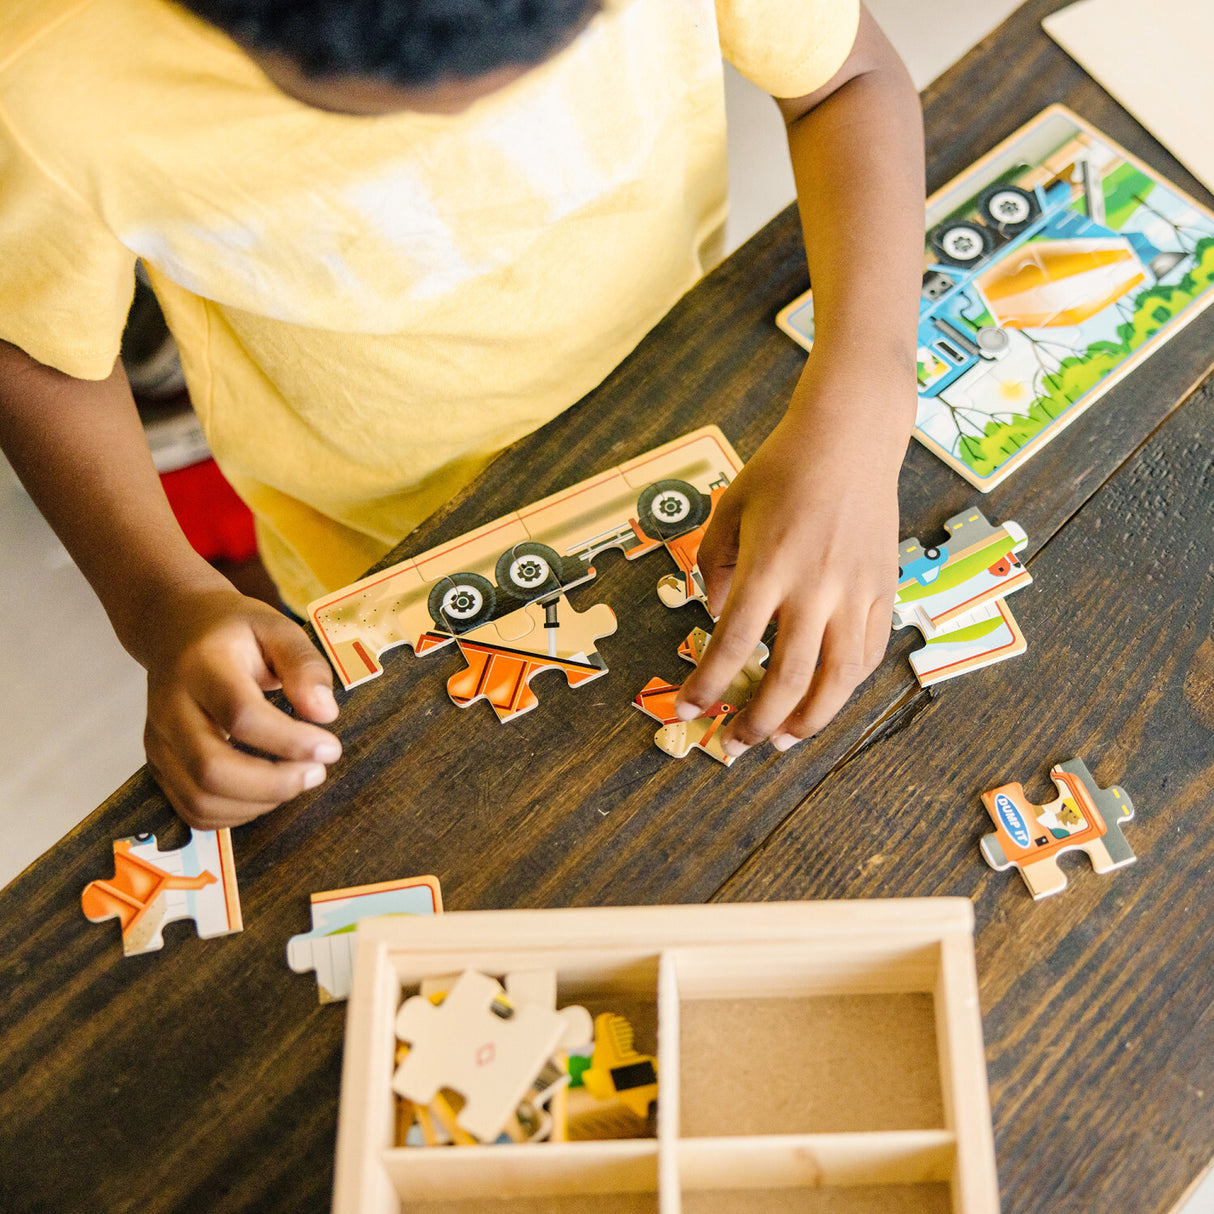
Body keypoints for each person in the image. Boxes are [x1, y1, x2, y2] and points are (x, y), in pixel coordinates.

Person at [0, 0, 923, 828]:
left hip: (689, 384)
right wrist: (161, 598)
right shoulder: (46, 75)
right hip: (379, 534)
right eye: (366, 118)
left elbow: (848, 78)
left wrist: (865, 409)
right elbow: (29, 342)